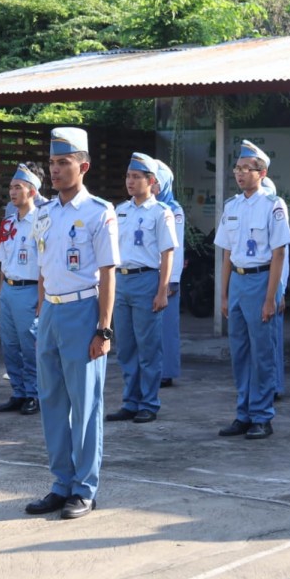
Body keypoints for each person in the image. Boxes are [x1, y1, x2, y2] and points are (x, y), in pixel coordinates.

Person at [25, 127, 118, 520]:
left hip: (84, 312)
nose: (55, 170)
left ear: (83, 166)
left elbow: (108, 272)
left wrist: (104, 328)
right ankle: (60, 482)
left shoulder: (99, 211)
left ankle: (84, 488)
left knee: (86, 404)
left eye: (63, 163)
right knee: (51, 402)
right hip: (51, 313)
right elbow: (44, 268)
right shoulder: (44, 213)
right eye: (51, 162)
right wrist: (41, 310)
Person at [215, 140, 290, 440]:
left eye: (248, 169)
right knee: (240, 352)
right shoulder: (232, 206)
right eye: (238, 168)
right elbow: (226, 253)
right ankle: (243, 413)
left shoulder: (273, 206)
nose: (241, 173)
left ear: (262, 173)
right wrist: (223, 294)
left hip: (261, 281)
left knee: (262, 353)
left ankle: (262, 415)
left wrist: (271, 296)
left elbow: (279, 254)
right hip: (238, 281)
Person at [106, 153, 177, 424]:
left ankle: (149, 402)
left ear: (151, 181)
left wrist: (163, 289)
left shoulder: (161, 212)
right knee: (125, 346)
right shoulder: (120, 210)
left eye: (136, 177)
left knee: (148, 347)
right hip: (122, 281)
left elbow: (167, 253)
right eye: (128, 176)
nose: (130, 182)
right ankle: (130, 401)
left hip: (147, 279)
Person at [0, 163, 45, 415]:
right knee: (10, 345)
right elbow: (3, 260)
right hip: (9, 290)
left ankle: (34, 393)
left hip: (30, 290)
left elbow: (45, 265)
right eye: (11, 187)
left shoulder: (41, 222)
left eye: (18, 187)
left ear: (32, 192)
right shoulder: (9, 222)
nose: (12, 192)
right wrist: (1, 292)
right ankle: (18, 391)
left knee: (29, 346)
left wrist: (41, 298)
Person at [154, 159, 185, 388]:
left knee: (167, 326)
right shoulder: (147, 207)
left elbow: (176, 247)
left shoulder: (173, 209)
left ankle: (167, 370)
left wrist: (172, 280)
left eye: (156, 181)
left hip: (167, 278)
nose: (152, 185)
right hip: (148, 275)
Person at [260, 176, 288, 399]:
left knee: (272, 341)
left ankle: (275, 386)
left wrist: (282, 289)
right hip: (255, 284)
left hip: (273, 285)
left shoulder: (276, 206)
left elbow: (282, 258)